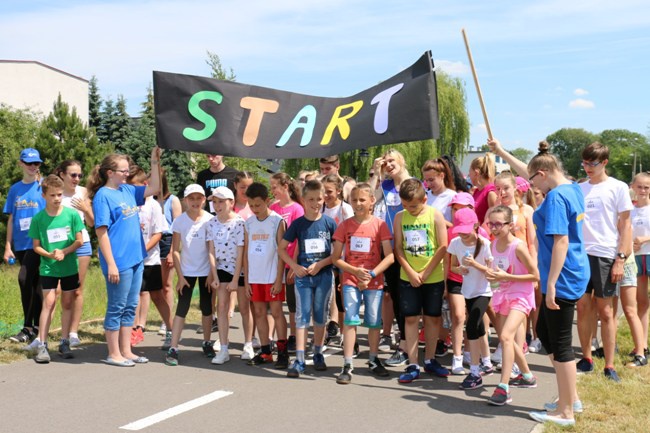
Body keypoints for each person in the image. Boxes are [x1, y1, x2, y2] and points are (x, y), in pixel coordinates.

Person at [491, 138, 586, 427]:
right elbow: (529, 170)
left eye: (533, 181)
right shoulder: (571, 186)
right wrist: (501, 153)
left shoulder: (556, 197)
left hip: (563, 277)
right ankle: (570, 396)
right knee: (545, 333)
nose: (530, 186)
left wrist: (552, 284)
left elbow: (561, 242)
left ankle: (567, 411)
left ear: (543, 175)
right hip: (567, 273)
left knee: (560, 343)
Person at [88, 147, 160, 366]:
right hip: (118, 261)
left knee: (131, 305)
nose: (127, 174)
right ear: (110, 172)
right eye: (123, 170)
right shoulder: (103, 196)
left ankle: (126, 350)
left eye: (128, 170)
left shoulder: (127, 190)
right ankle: (113, 353)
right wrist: (110, 263)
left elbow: (155, 187)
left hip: (137, 257)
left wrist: (154, 162)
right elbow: (101, 232)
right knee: (117, 306)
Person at [574, 142, 633, 382]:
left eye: (593, 163)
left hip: (605, 254)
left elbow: (626, 225)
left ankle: (609, 365)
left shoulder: (617, 187)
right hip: (580, 255)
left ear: (604, 162)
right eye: (585, 163)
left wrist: (620, 259)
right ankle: (587, 358)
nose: (588, 167)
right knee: (583, 308)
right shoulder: (579, 188)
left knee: (606, 311)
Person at [331, 183, 394, 384]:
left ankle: (374, 359)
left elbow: (390, 256)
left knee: (374, 321)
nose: (358, 204)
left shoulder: (380, 225)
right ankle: (347, 363)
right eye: (354, 200)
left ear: (372, 201)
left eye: (362, 200)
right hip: (350, 279)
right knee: (350, 320)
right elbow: (336, 258)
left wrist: (372, 273)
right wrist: (355, 271)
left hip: (374, 282)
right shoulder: (345, 226)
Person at [279, 180, 337, 377]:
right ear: (303, 200)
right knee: (302, 316)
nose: (315, 203)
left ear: (324, 199)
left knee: (320, 315)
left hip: (323, 276)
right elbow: (281, 248)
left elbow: (337, 252)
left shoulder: (329, 223)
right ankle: (300, 359)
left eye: (319, 199)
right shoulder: (298, 224)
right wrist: (294, 267)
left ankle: (318, 352)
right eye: (311, 199)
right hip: (303, 277)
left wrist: (320, 264)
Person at [393, 179, 449, 383]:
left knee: (432, 318)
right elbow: (398, 248)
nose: (410, 210)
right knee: (410, 318)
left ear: (424, 199)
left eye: (414, 206)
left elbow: (443, 246)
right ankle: (413, 362)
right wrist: (410, 271)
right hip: (408, 276)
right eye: (405, 206)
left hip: (432, 276)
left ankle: (431, 359)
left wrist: (425, 273)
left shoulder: (435, 215)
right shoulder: (400, 217)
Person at [485, 206, 540, 406]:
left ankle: (503, 387)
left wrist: (506, 276)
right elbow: (495, 274)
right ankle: (527, 376)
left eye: (499, 224)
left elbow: (535, 275)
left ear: (510, 225)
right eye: (491, 224)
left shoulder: (518, 246)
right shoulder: (492, 246)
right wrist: (488, 277)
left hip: (521, 295)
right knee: (506, 339)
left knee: (507, 337)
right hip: (502, 295)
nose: (495, 228)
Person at [26, 175, 84, 363]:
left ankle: (64, 341)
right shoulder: (39, 219)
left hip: (69, 266)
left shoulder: (72, 214)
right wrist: (50, 255)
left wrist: (65, 251)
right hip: (49, 267)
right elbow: (36, 246)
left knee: (67, 303)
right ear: (44, 196)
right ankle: (42, 344)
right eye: (52, 195)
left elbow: (79, 241)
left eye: (59, 194)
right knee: (48, 303)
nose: (57, 198)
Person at [369, 149, 412, 366]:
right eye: (385, 162)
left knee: (410, 299)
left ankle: (411, 344)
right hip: (390, 249)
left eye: (391, 160)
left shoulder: (413, 184)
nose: (388, 165)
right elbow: (367, 200)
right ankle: (403, 342)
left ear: (401, 161)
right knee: (397, 297)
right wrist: (376, 173)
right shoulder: (385, 186)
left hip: (412, 249)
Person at [164, 184, 214, 366]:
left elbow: (211, 249)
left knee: (207, 307)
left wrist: (211, 273)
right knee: (182, 309)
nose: (195, 202)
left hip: (206, 271)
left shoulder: (210, 220)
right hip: (187, 272)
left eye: (198, 198)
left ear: (204, 200)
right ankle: (174, 347)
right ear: (185, 201)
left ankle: (207, 342)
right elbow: (175, 250)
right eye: (191, 198)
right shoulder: (180, 221)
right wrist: (180, 275)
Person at [447, 208, 494, 390]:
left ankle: (474, 372)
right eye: (460, 231)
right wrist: (460, 270)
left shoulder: (484, 244)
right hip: (467, 290)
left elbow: (491, 273)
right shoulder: (455, 243)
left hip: (484, 290)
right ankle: (487, 363)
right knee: (479, 327)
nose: (463, 235)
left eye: (466, 232)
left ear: (475, 226)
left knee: (472, 325)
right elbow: (452, 266)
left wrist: (475, 264)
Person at [244, 182, 289, 368]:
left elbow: (281, 252)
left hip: (272, 277)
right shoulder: (248, 223)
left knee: (277, 313)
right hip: (255, 277)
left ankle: (283, 351)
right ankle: (265, 351)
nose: (255, 209)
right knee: (260, 313)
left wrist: (279, 279)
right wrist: (246, 280)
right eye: (251, 205)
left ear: (267, 201)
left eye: (258, 205)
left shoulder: (277, 221)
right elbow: (246, 253)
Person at [127, 167, 172, 350]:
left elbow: (158, 233)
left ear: (145, 185)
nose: (130, 190)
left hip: (149, 260)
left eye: (134, 186)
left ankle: (171, 330)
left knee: (156, 296)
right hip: (129, 260)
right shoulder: (127, 203)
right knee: (131, 297)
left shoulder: (153, 205)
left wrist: (142, 250)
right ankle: (131, 331)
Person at [4, 148, 46, 343]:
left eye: (36, 163)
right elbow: (11, 219)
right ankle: (37, 327)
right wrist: (7, 246)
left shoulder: (43, 187)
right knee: (34, 284)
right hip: (21, 243)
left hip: (39, 243)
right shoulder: (15, 189)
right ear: (21, 163)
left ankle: (28, 327)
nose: (33, 167)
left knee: (24, 279)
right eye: (29, 163)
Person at [53, 160, 94, 348]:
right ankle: (42, 334)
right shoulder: (56, 193)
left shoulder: (84, 192)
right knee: (56, 290)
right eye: (73, 175)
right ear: (62, 174)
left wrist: (85, 209)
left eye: (79, 175)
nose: (77, 179)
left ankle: (73, 332)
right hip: (59, 247)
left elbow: (92, 223)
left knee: (77, 289)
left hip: (81, 244)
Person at [206, 186, 246, 364]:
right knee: (221, 306)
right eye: (215, 202)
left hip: (240, 269)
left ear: (231, 202)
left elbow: (241, 252)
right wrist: (214, 276)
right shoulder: (212, 223)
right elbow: (211, 251)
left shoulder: (240, 223)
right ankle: (223, 347)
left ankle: (248, 343)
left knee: (245, 308)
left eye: (221, 201)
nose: (217, 205)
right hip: (221, 268)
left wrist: (236, 279)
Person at [269, 172, 304, 354]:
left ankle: (293, 336)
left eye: (275, 186)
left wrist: (295, 263)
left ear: (285, 187)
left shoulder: (297, 209)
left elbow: (299, 238)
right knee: (273, 300)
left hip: (290, 261)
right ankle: (271, 338)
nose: (272, 190)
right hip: (275, 262)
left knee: (291, 303)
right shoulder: (273, 208)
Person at [321, 173, 354, 344]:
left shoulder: (344, 209)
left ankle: (345, 333)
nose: (326, 196)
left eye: (329, 191)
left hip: (342, 256)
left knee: (343, 296)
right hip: (326, 256)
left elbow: (350, 232)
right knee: (331, 293)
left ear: (339, 191)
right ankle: (334, 326)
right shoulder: (322, 208)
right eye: (323, 192)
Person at [156, 169, 182, 343]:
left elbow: (177, 228)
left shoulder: (172, 200)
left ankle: (167, 322)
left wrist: (173, 251)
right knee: (154, 286)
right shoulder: (148, 200)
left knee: (166, 285)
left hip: (167, 241)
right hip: (152, 242)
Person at [628, 172, 650, 366]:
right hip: (636, 258)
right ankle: (641, 345)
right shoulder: (631, 211)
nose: (642, 190)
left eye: (646, 187)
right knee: (641, 303)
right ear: (633, 187)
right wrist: (631, 245)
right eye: (640, 187)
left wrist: (645, 239)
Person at [422, 158, 456, 225]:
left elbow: (455, 226)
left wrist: (436, 219)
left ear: (442, 176)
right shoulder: (425, 195)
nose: (428, 184)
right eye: (426, 180)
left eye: (431, 180)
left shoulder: (453, 196)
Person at [469, 153, 497, 223]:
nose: (469, 175)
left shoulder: (491, 193)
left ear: (476, 173)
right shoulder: (476, 191)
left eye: (470, 172)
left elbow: (495, 220)